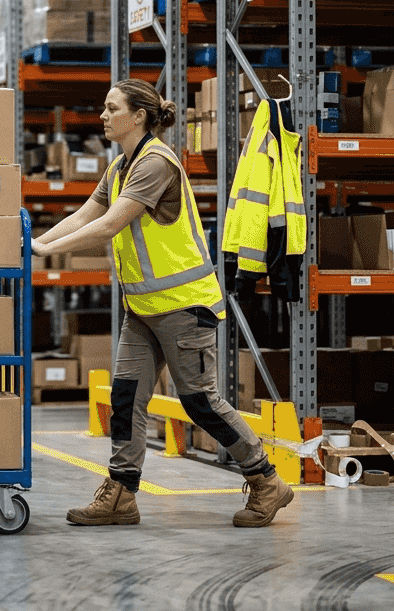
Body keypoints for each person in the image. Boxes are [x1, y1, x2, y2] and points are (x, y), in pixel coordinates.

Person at [30, 79, 294, 528]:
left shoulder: (155, 164)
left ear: (137, 117)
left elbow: (110, 225)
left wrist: (43, 254)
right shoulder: (120, 168)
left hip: (184, 306)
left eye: (111, 108)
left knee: (200, 402)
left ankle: (267, 481)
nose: (103, 116)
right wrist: (34, 240)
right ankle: (120, 496)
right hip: (144, 309)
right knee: (126, 398)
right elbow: (84, 215)